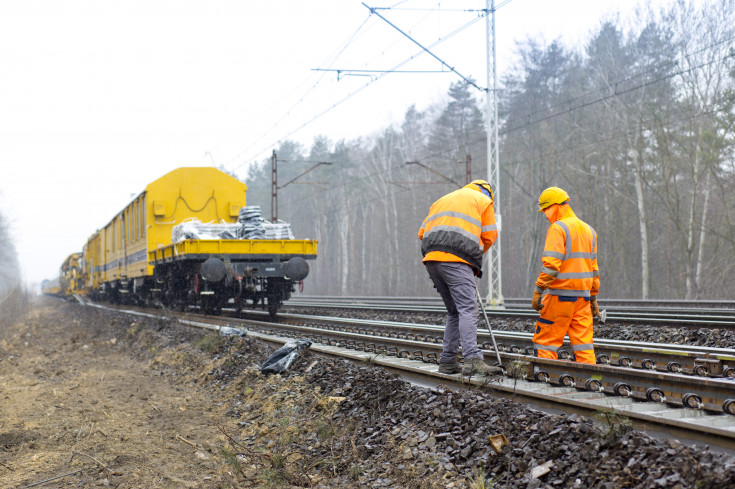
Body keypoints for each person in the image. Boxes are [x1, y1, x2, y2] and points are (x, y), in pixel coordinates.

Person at [418, 179, 502, 376]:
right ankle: (472, 359)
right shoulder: (483, 200)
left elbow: (421, 233)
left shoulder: (441, 201)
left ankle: (448, 361)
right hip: (456, 261)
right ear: (488, 193)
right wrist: (471, 259)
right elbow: (490, 236)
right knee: (468, 309)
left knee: (455, 312)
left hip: (431, 259)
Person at [531, 186, 600, 364]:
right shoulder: (589, 230)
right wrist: (592, 298)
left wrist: (538, 290)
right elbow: (594, 270)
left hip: (559, 298)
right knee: (584, 346)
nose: (546, 214)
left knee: (546, 343)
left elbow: (551, 266)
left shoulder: (558, 228)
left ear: (559, 205)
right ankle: (590, 384)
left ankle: (546, 380)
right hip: (582, 300)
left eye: (547, 208)